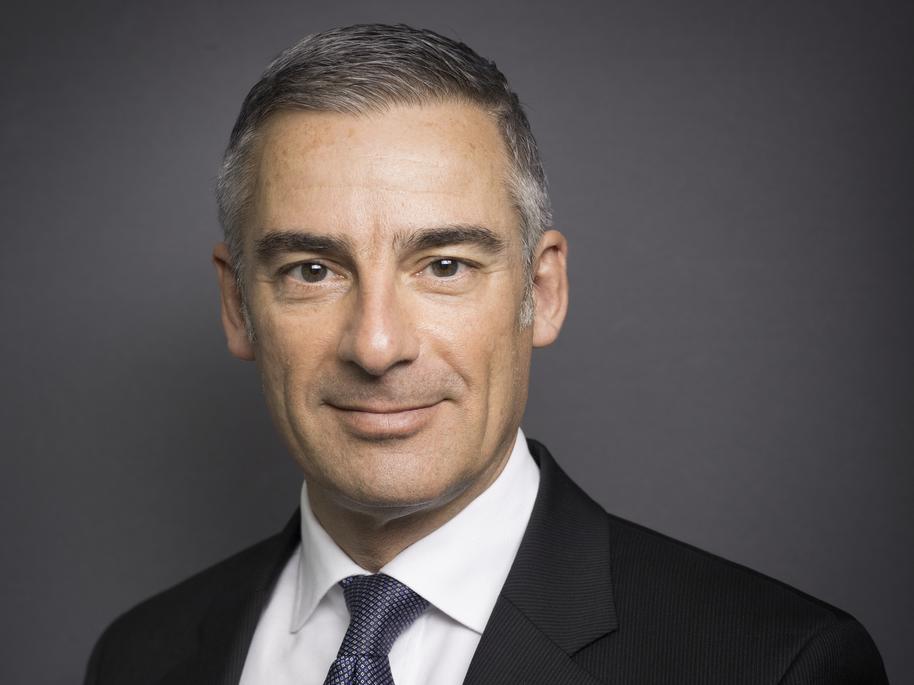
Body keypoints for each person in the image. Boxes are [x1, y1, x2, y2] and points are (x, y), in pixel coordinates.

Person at [84, 23, 888, 685]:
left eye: (444, 265)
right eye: (313, 270)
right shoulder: (138, 657)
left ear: (543, 290)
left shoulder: (775, 663)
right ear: (238, 306)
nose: (377, 345)